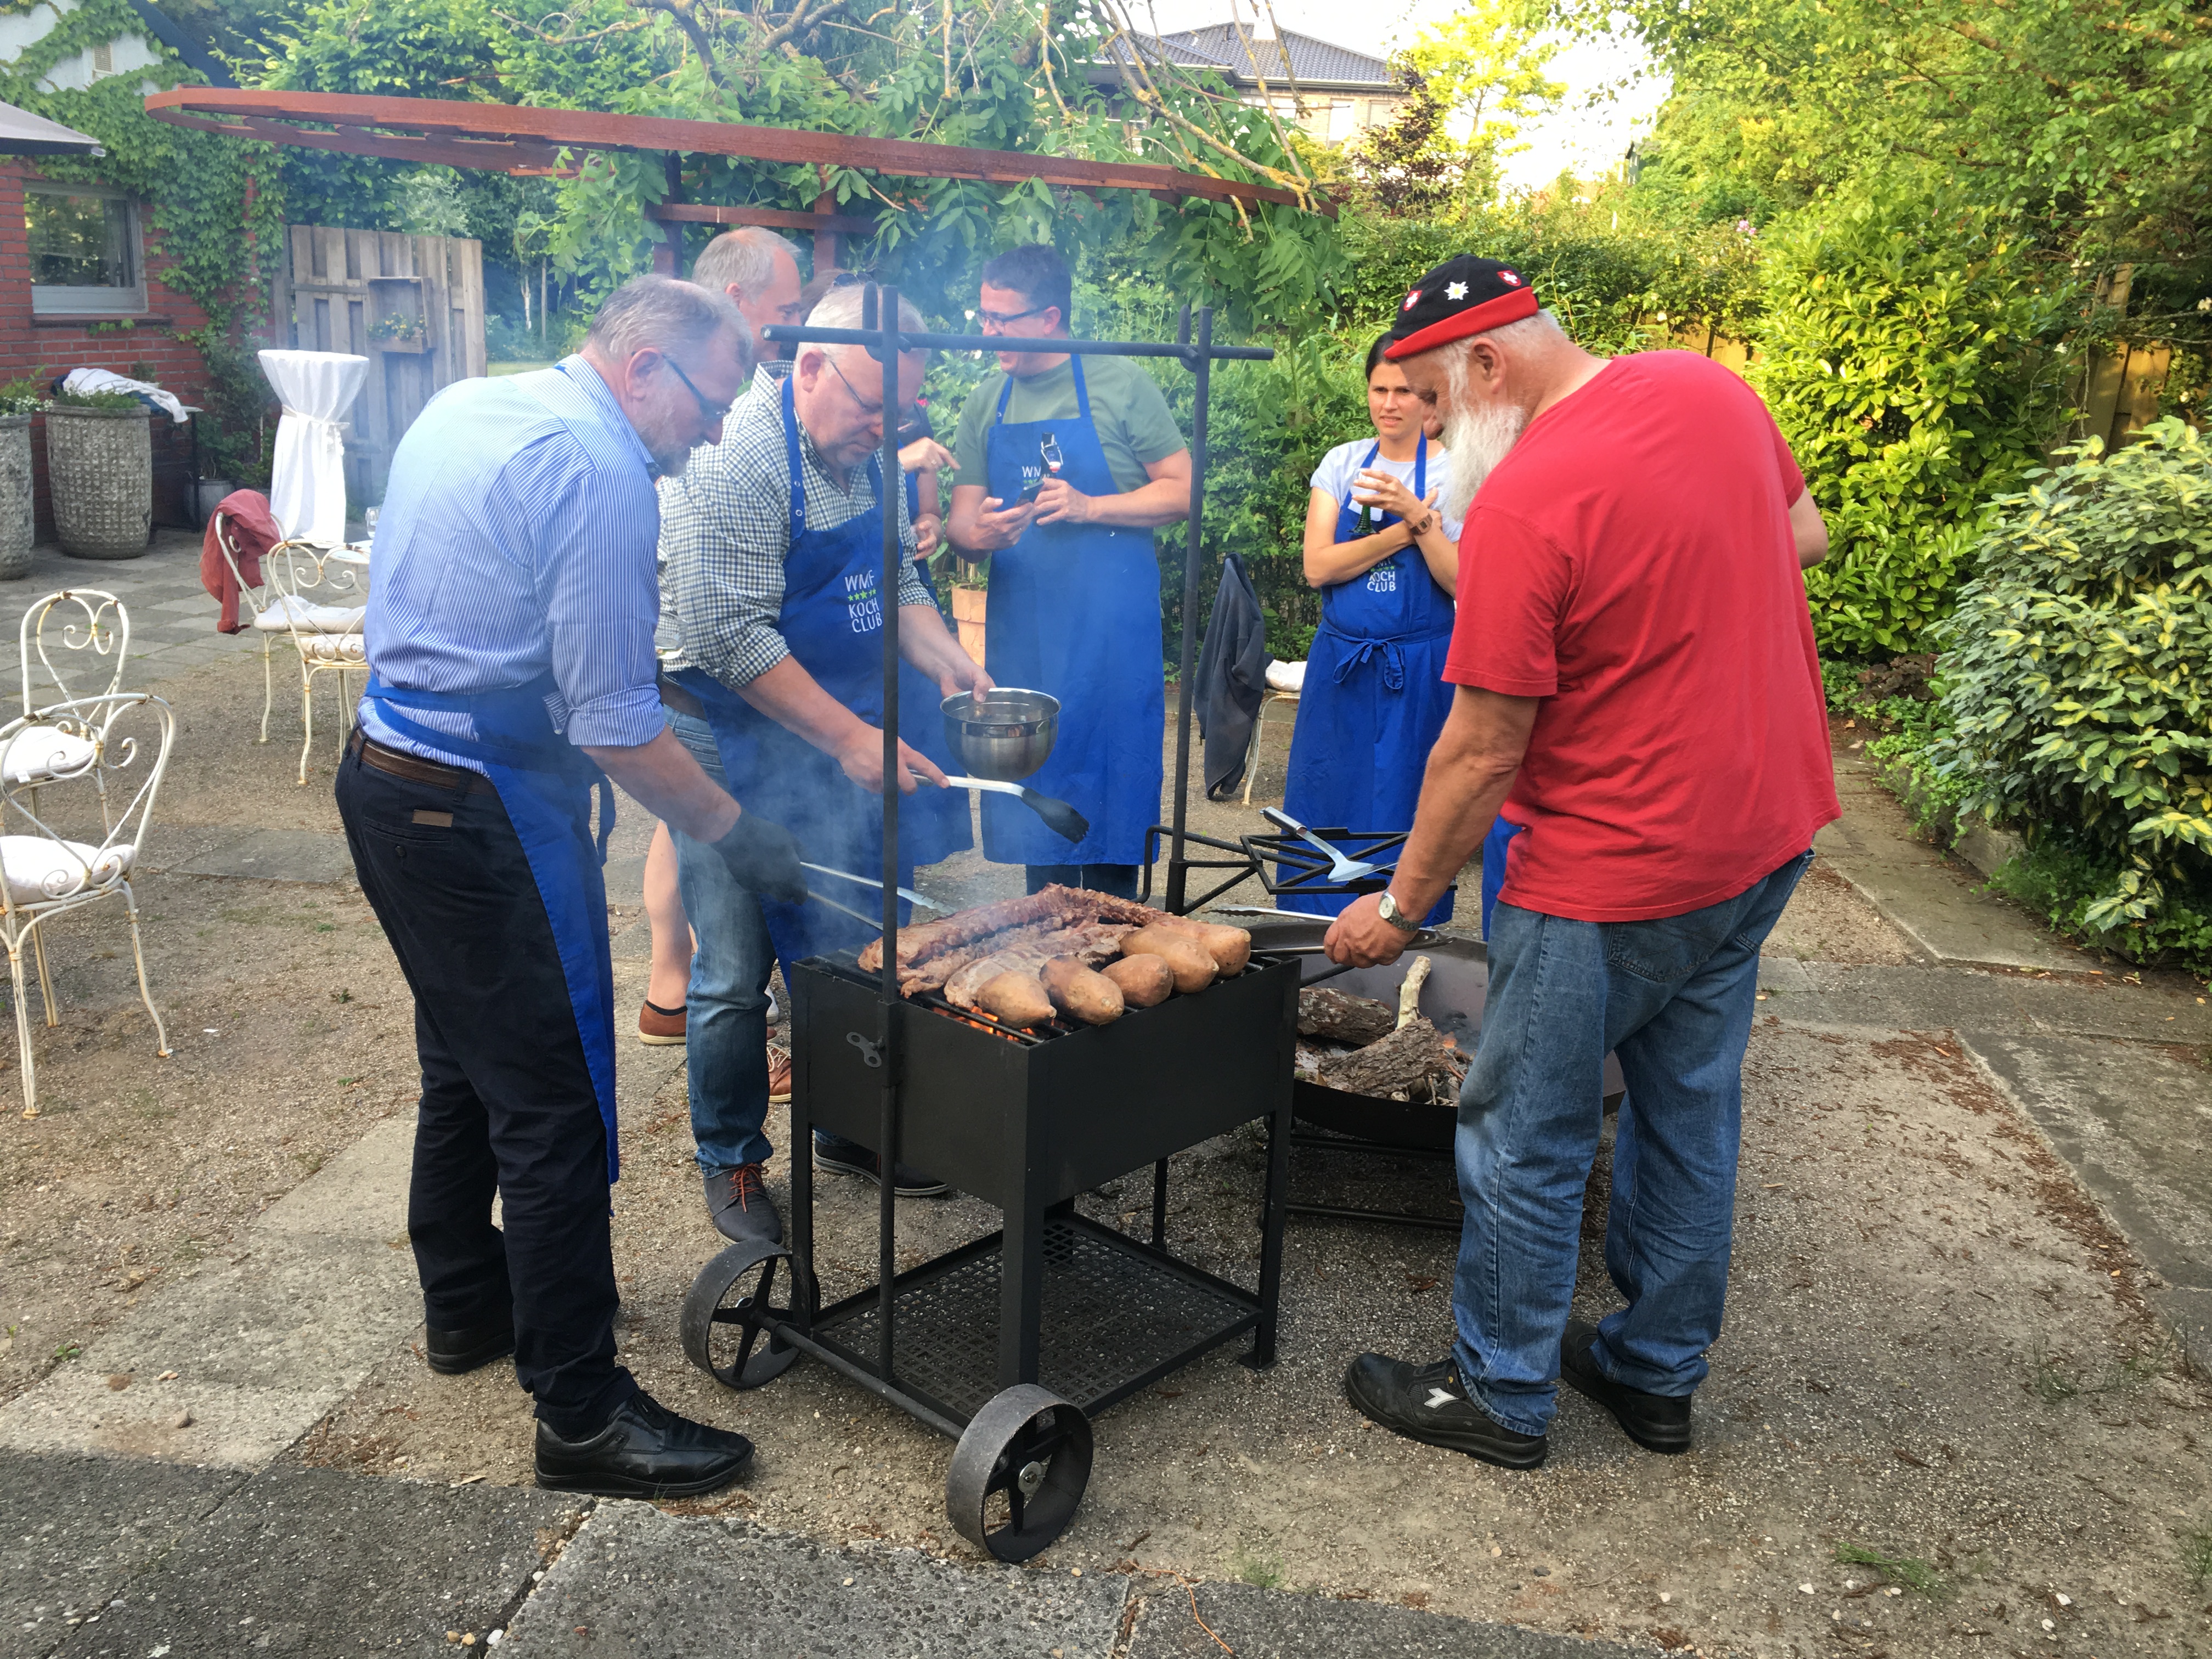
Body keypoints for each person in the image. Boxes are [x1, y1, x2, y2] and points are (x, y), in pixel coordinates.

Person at [1325, 256, 1837, 1470]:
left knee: (1524, 1127)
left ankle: (1501, 1391)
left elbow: (1481, 749)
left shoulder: (1527, 499)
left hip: (1613, 866)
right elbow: (1801, 537)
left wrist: (1401, 905)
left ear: (1487, 364)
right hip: (1761, 831)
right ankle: (1655, 1375)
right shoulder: (1706, 388)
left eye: (1435, 400)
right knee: (1687, 1106)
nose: (1431, 429)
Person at [338, 275, 809, 1498]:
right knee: (552, 1107)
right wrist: (734, 832)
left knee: (466, 1060)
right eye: (712, 402)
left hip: (384, 772)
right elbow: (614, 725)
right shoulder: (601, 473)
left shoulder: (477, 401)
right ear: (646, 367)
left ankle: (465, 1304)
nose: (716, 431)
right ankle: (582, 1412)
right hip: (474, 804)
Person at [661, 283, 991, 1246]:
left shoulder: (866, 447)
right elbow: (726, 633)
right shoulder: (738, 457)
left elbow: (895, 577)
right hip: (722, 731)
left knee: (850, 943)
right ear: (809, 367)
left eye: (903, 411)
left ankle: (847, 1123)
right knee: (733, 967)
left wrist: (948, 660)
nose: (888, 429)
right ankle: (730, 1155)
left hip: (830, 724)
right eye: (873, 406)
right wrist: (850, 739)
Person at [946, 244, 1192, 900]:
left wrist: (1090, 507)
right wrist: (980, 535)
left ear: (1050, 317)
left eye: (1002, 320)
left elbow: (1183, 490)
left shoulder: (1121, 384)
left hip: (1113, 631)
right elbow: (961, 525)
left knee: (1115, 782)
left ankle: (1119, 921)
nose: (988, 333)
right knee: (1039, 790)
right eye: (983, 317)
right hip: (1027, 630)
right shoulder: (986, 401)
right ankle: (1044, 928)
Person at [639, 227, 809, 1047]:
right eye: (790, 310)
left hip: (727, 700)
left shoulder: (758, 398)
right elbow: (718, 630)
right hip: (702, 693)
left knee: (677, 839)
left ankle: (667, 989)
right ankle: (681, 993)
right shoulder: (728, 426)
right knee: (729, 951)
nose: (798, 328)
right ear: (736, 303)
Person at [1279, 334, 1472, 926]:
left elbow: (1460, 581)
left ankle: (1405, 932)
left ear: (1429, 398)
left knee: (1407, 800)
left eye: (1404, 392)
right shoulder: (1342, 464)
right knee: (1326, 794)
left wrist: (1416, 513)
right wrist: (1404, 531)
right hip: (1342, 664)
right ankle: (1314, 932)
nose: (1389, 404)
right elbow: (1319, 567)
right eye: (1379, 389)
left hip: (1419, 667)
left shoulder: (1459, 471)